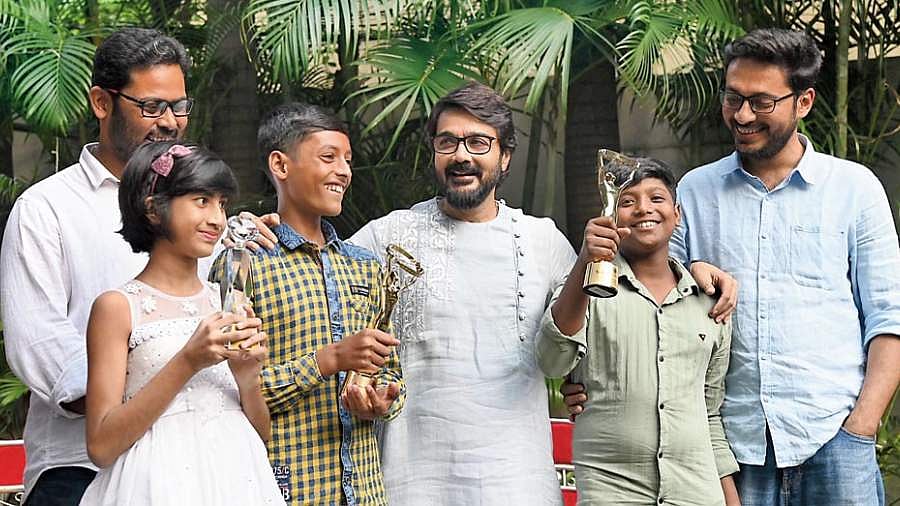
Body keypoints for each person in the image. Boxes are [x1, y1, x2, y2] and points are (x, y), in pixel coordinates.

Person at [566, 28, 900, 505]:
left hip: (833, 436)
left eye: (761, 102)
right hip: (732, 446)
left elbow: (889, 318)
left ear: (803, 102)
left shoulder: (855, 189)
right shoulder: (693, 194)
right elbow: (650, 298)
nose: (742, 116)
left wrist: (862, 424)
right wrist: (584, 376)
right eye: (733, 99)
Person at [0, 27, 277, 505]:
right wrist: (144, 390)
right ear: (102, 103)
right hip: (79, 468)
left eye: (179, 106)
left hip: (212, 469)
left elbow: (221, 331)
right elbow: (40, 345)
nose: (169, 122)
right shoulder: (46, 208)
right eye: (151, 107)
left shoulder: (209, 227)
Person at [349, 82, 576, 505]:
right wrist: (262, 232)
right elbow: (318, 280)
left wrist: (688, 269)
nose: (461, 155)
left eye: (478, 142)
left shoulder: (542, 240)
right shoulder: (389, 235)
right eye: (447, 141)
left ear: (505, 156)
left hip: (517, 481)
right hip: (413, 481)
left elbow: (594, 333)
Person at [209, 102, 405, 505]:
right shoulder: (241, 263)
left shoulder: (367, 266)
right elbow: (226, 391)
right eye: (328, 157)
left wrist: (379, 399)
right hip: (282, 490)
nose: (344, 172)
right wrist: (328, 360)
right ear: (280, 165)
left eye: (347, 160)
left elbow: (391, 373)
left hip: (366, 493)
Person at [79, 141, 284, 505]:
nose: (217, 219)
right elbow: (101, 444)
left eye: (222, 203)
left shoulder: (227, 300)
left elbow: (260, 434)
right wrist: (189, 359)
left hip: (238, 479)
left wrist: (248, 377)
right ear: (154, 210)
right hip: (153, 485)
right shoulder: (118, 307)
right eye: (201, 201)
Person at [536, 158, 740, 505]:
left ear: (677, 214)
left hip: (696, 490)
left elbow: (709, 413)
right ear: (612, 216)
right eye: (628, 201)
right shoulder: (588, 289)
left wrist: (731, 499)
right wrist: (586, 260)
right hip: (611, 488)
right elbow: (553, 361)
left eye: (656, 199)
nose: (644, 208)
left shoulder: (710, 304)